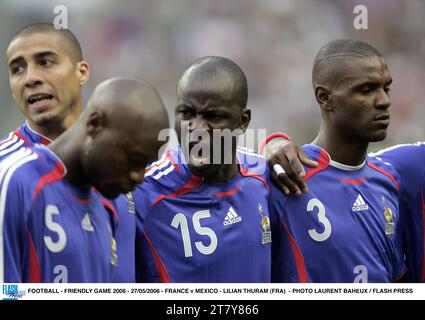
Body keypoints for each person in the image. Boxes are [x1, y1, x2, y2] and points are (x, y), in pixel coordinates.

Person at [1, 23, 137, 282]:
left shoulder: (124, 169)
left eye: (46, 62)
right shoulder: (6, 171)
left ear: (82, 72)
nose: (31, 78)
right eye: (17, 69)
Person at [0, 77, 169, 282]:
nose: (139, 177)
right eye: (134, 159)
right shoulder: (16, 181)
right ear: (94, 124)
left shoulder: (103, 208)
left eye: (146, 165)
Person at [268, 39, 406, 282]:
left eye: (386, 88)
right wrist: (271, 142)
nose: (384, 100)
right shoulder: (288, 177)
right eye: (366, 90)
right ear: (324, 97)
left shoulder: (388, 179)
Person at [133, 56, 272, 282]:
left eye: (214, 117)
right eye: (186, 114)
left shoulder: (266, 177)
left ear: (243, 121)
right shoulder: (145, 193)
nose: (196, 129)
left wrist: (277, 142)